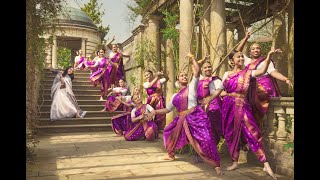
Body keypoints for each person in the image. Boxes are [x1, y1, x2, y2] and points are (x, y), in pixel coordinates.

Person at [146, 53, 222, 175]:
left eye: (185, 75)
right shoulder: (175, 96)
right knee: (168, 132)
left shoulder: (192, 86)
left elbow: (197, 71)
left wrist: (192, 58)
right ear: (177, 80)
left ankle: (216, 165)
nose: (184, 76)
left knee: (207, 139)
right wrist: (154, 111)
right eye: (181, 75)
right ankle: (170, 155)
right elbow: (167, 110)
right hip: (182, 118)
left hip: (195, 116)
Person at [221, 48, 281, 179]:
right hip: (229, 107)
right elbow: (220, 91)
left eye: (242, 57)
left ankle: (265, 164)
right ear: (232, 61)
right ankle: (235, 162)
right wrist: (216, 96)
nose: (241, 59)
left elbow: (262, 71)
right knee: (231, 134)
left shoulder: (248, 72)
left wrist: (269, 55)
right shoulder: (226, 74)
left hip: (243, 106)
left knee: (253, 133)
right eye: (238, 57)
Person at [236, 32, 293, 127]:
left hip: (264, 88)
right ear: (250, 52)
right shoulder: (247, 61)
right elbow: (237, 52)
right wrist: (246, 38)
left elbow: (273, 72)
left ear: (260, 51)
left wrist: (285, 79)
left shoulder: (266, 61)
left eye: (257, 48)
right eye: (253, 48)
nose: (256, 50)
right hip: (250, 88)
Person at [197, 59, 224, 144]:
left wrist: (210, 99)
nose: (207, 69)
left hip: (214, 106)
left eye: (209, 67)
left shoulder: (216, 80)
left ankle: (213, 149)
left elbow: (220, 90)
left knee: (213, 127)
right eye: (205, 67)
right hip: (200, 106)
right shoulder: (198, 80)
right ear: (201, 69)